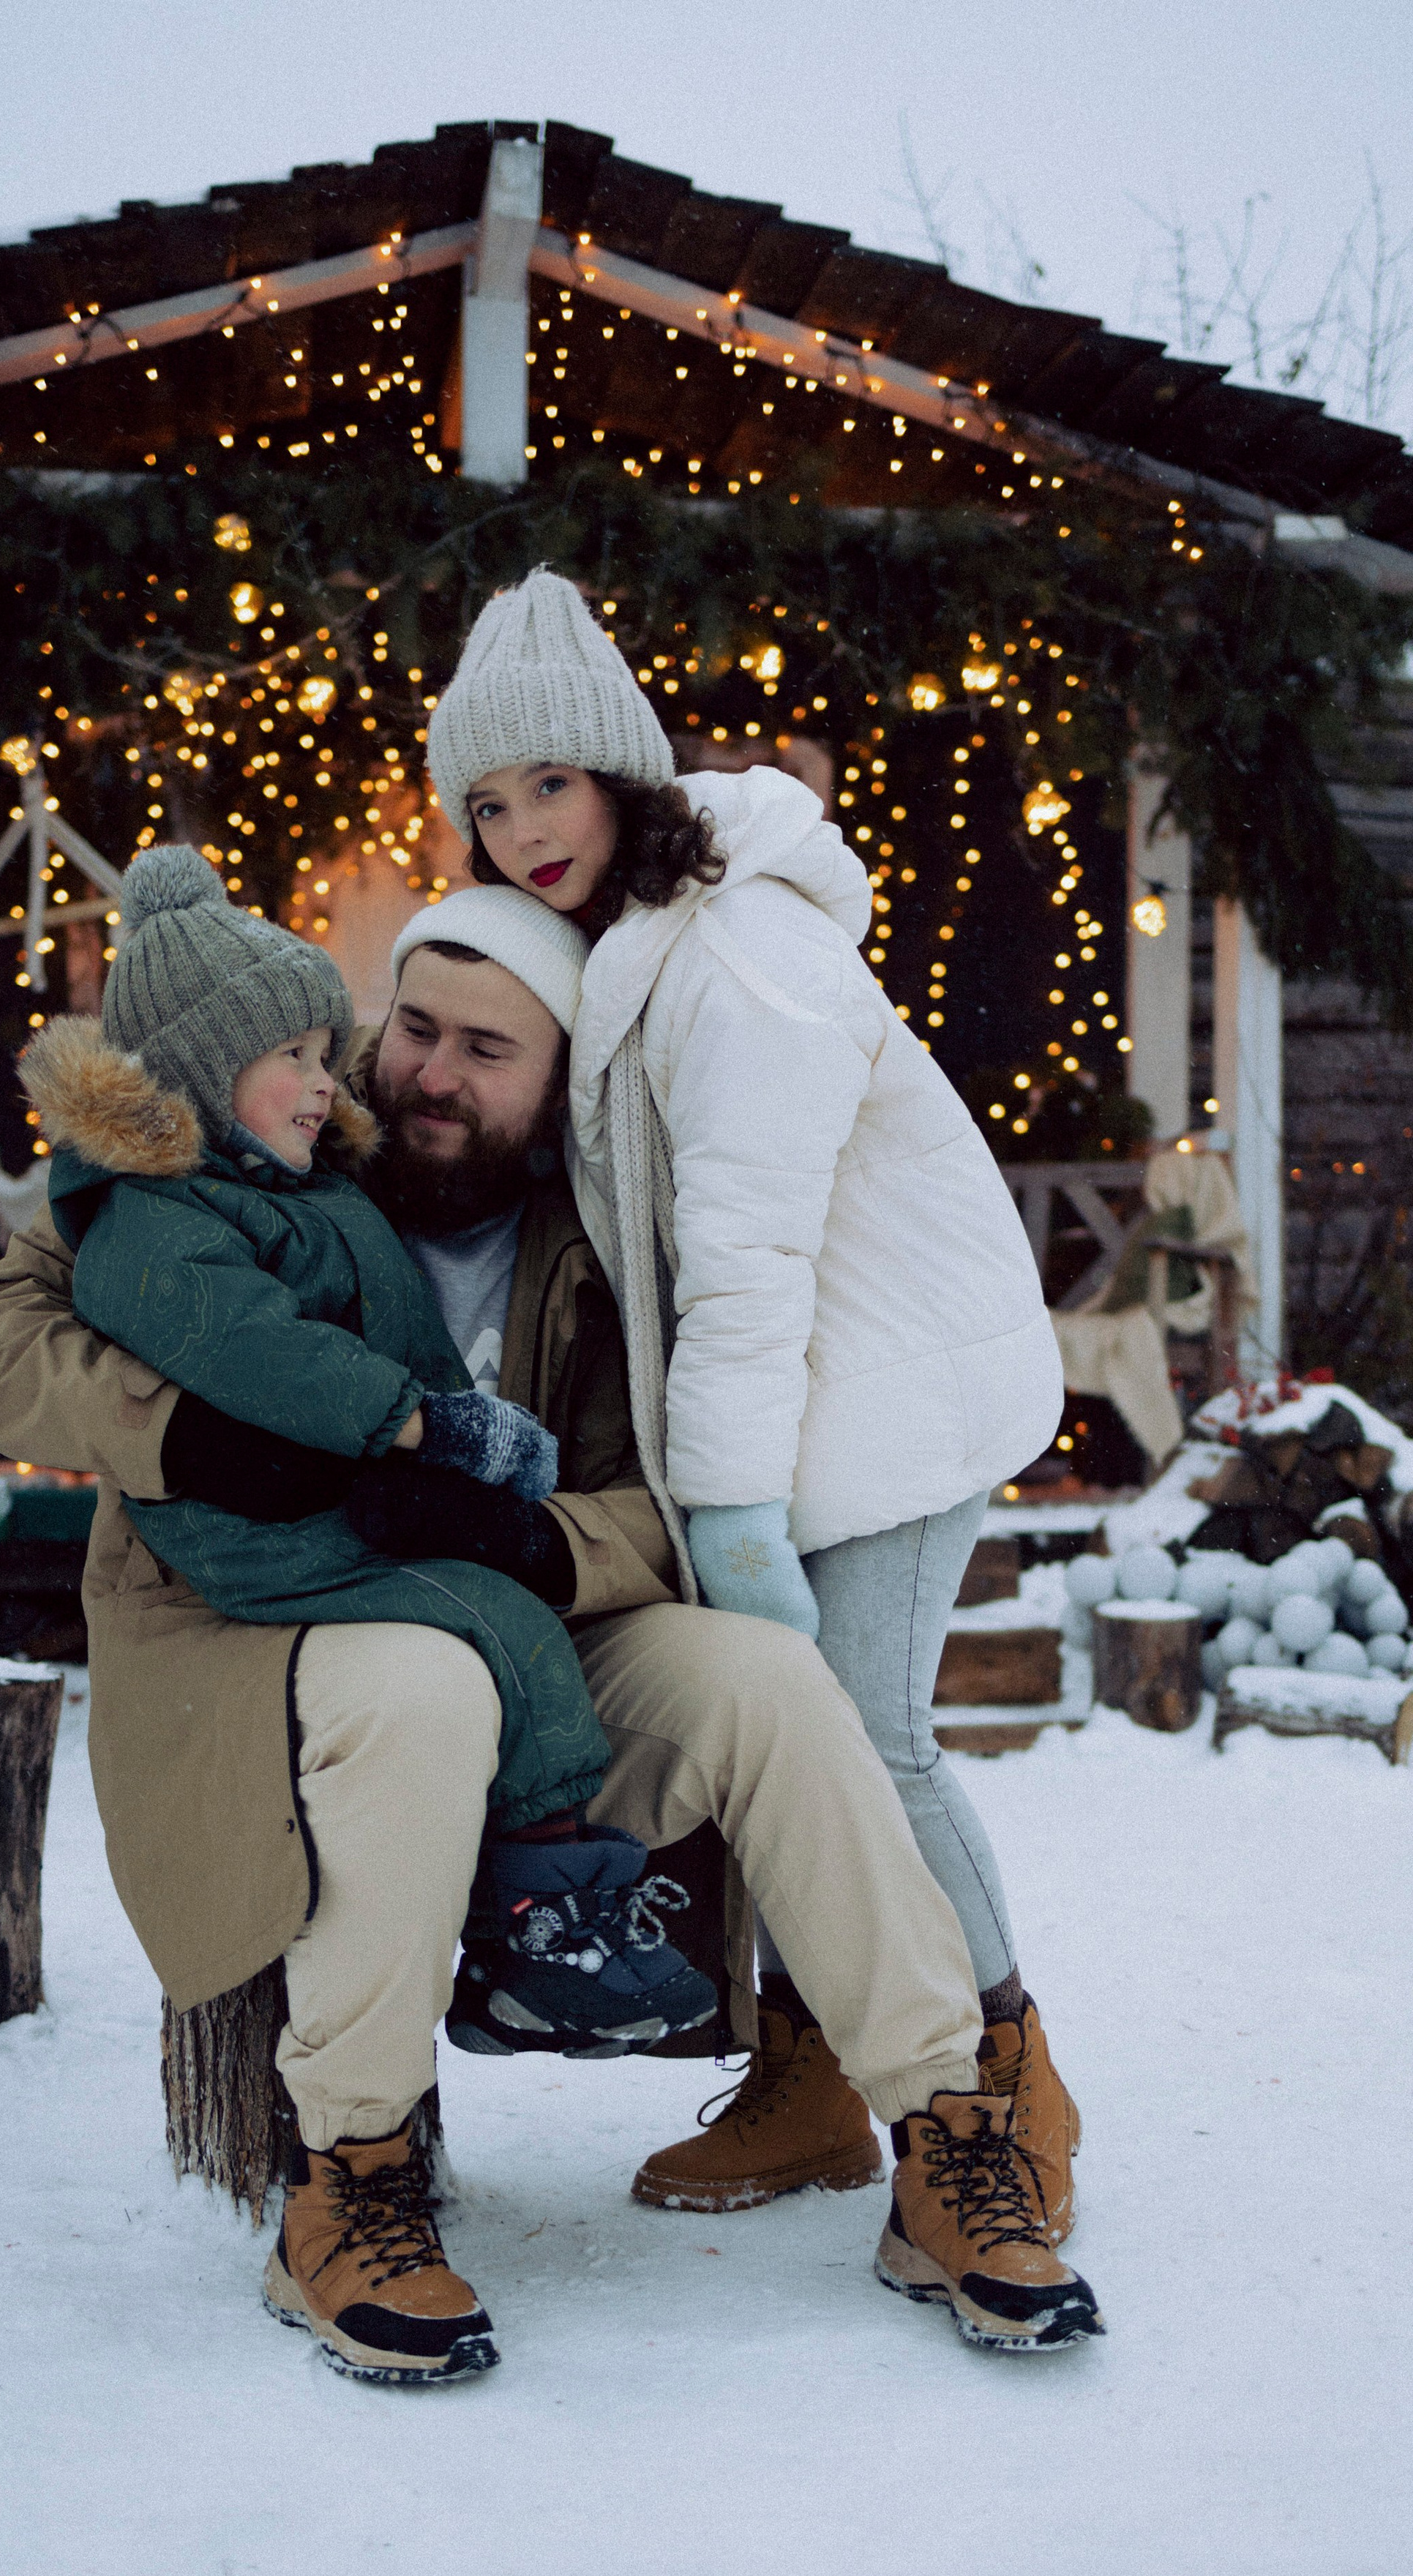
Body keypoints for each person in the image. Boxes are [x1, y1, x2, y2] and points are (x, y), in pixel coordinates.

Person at [0, 907, 1102, 2382]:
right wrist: (197, 1437)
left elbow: (671, 1506)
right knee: (420, 1688)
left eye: (488, 1051)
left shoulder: (608, 1238)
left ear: (558, 1084)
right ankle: (347, 2181)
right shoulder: (259, 1136)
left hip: (522, 1614)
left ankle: (942, 2134)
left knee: (763, 1683)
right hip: (263, 1629)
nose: (428, 1073)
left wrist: (547, 1542)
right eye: (412, 1028)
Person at [424, 568, 1082, 2253]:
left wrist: (718, 1511)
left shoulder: (737, 951)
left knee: (863, 1747)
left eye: (544, 786)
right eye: (483, 805)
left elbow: (745, 1261)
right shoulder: (627, 948)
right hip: (803, 1403)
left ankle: (1000, 2078)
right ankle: (815, 2081)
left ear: (621, 771)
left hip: (885, 1396)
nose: (516, 834)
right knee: (809, 1749)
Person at [23, 844, 717, 2078]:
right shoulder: (155, 1214)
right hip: (248, 1552)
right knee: (485, 1636)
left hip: (365, 1513)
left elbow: (659, 1495)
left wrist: (496, 1500)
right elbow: (256, 1353)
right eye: (298, 1056)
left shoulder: (306, 1170)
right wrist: (423, 1429)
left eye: (490, 1050)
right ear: (192, 1076)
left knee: (524, 1619)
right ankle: (530, 1930)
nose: (334, 1078)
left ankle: (567, 1917)